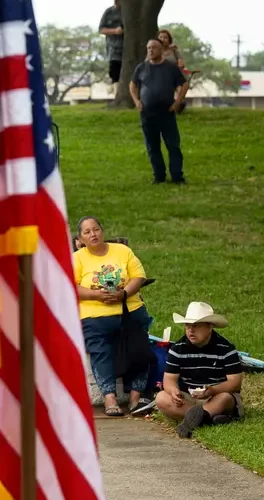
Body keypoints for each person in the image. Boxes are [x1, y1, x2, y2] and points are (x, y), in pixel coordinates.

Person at [72, 216, 153, 417]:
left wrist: (123, 293)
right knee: (100, 351)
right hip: (94, 315)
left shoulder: (122, 251)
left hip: (129, 309)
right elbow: (70, 284)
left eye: (96, 229)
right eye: (87, 232)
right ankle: (110, 398)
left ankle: (136, 396)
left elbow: (138, 276)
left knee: (140, 349)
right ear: (80, 238)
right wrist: (95, 294)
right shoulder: (78, 258)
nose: (93, 234)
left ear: (102, 230)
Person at [156, 302, 244, 438]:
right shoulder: (177, 348)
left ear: (209, 327)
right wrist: (173, 391)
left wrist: (213, 390)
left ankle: (195, 419)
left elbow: (235, 383)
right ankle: (208, 419)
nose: (190, 330)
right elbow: (169, 379)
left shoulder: (226, 348)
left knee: (225, 398)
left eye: (196, 326)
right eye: (187, 326)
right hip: (189, 397)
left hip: (216, 396)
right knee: (161, 398)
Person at [130, 38, 189, 184]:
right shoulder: (141, 68)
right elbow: (132, 85)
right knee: (152, 147)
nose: (150, 50)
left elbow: (184, 84)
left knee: (173, 145)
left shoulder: (170, 67)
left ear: (161, 50)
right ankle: (159, 176)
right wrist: (137, 101)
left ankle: (177, 176)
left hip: (166, 112)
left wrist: (177, 102)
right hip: (147, 114)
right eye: (149, 48)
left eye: (154, 48)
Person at [99, 0, 124, 85]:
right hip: (114, 51)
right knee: (115, 76)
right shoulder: (109, 12)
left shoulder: (128, 12)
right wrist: (115, 31)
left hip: (129, 50)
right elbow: (101, 30)